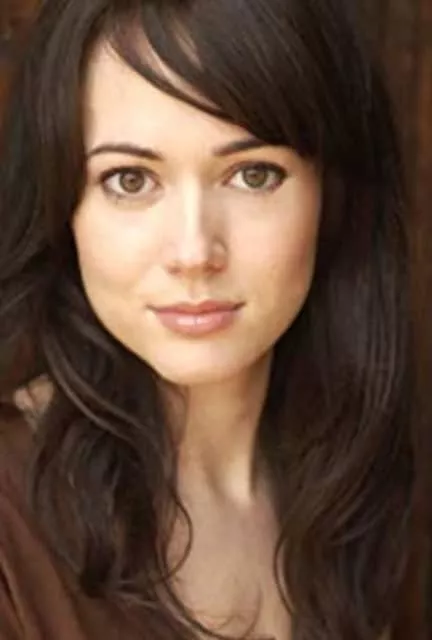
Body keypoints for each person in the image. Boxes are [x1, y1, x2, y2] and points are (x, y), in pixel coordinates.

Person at [0, 0, 414, 638]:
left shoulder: (366, 494)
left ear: (332, 199)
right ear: (64, 209)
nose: (194, 252)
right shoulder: (12, 526)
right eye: (130, 180)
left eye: (253, 175)